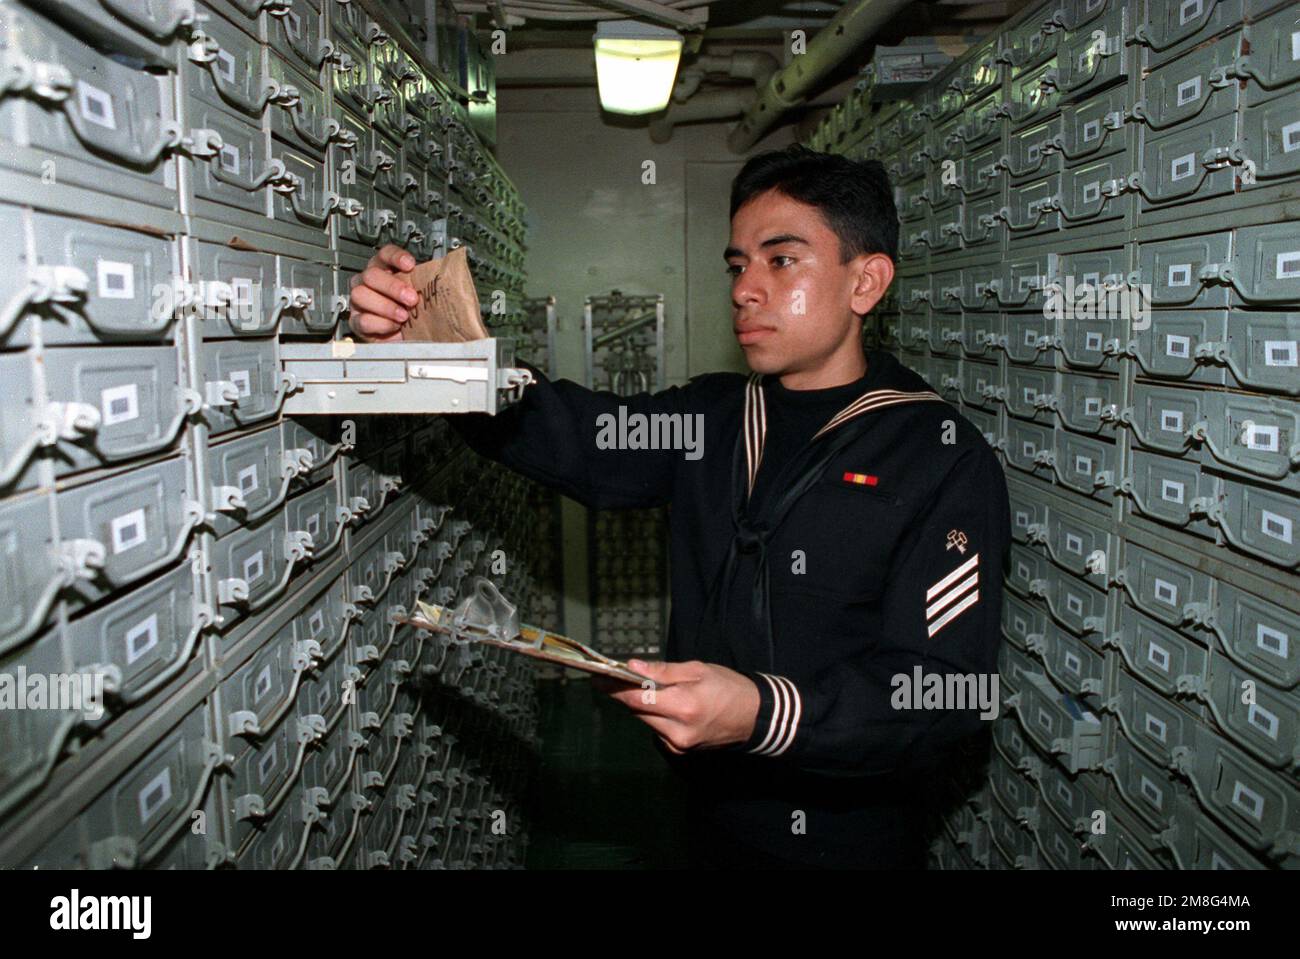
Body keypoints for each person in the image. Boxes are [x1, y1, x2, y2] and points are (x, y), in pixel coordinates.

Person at [347, 144, 1011, 869]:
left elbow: (943, 691)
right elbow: (576, 439)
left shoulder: (939, 455)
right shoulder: (714, 418)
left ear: (867, 280)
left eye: (781, 260)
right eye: (737, 265)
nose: (745, 290)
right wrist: (429, 345)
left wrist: (765, 710)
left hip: (848, 836)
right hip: (706, 814)